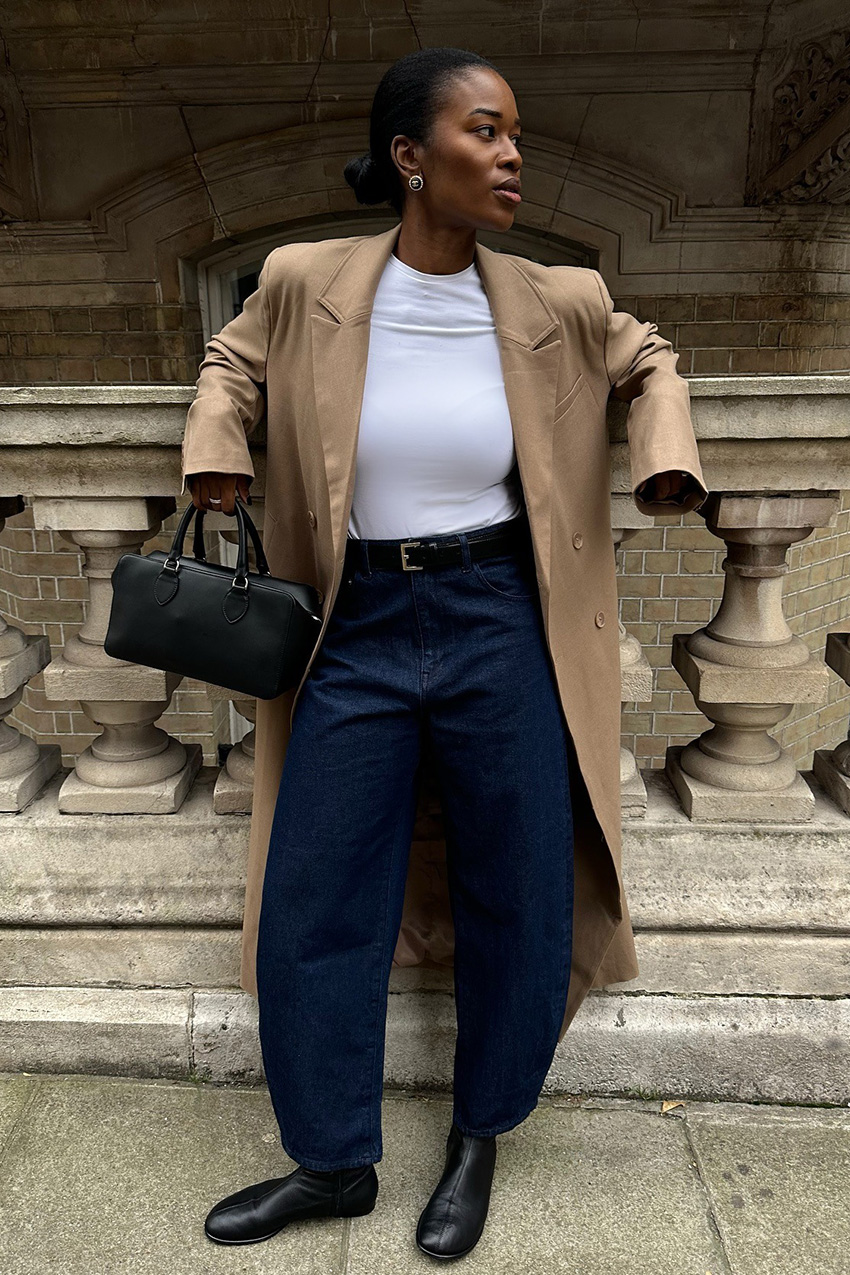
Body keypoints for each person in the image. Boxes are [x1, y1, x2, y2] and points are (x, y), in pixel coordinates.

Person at [186, 46, 704, 1262]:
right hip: (351, 626)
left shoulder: (554, 295)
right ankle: (331, 1161)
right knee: (314, 892)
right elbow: (231, 361)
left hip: (496, 619)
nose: (513, 153)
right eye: (486, 131)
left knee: (518, 887)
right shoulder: (305, 278)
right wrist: (218, 437)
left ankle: (479, 1140)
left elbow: (649, 356)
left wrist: (665, 453)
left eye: (515, 132)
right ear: (413, 158)